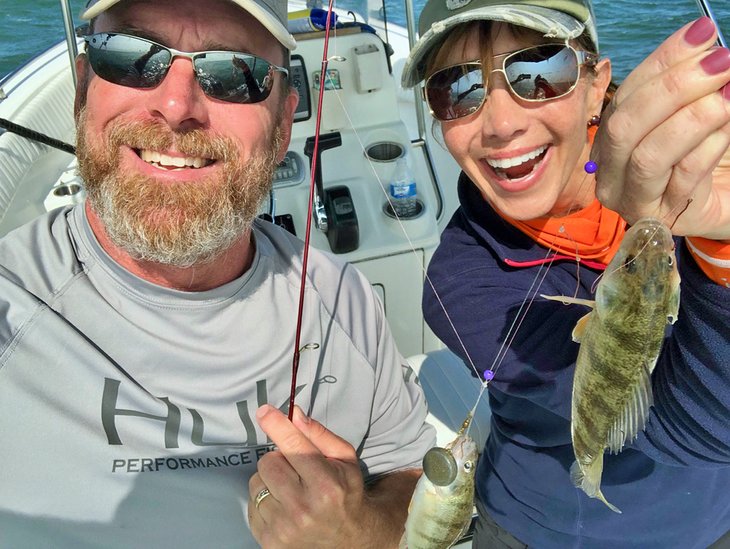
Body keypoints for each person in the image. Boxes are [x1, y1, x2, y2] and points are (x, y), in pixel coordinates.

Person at [0, 0, 436, 547]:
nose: (178, 106)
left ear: (282, 128)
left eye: (235, 73)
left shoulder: (340, 295)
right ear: (84, 87)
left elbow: (409, 476)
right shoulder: (10, 306)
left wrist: (364, 531)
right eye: (131, 57)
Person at [401, 0, 730, 547]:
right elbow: (686, 427)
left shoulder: (696, 162)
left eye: (540, 73)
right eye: (455, 88)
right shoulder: (463, 286)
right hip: (555, 530)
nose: (502, 124)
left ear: (597, 83)